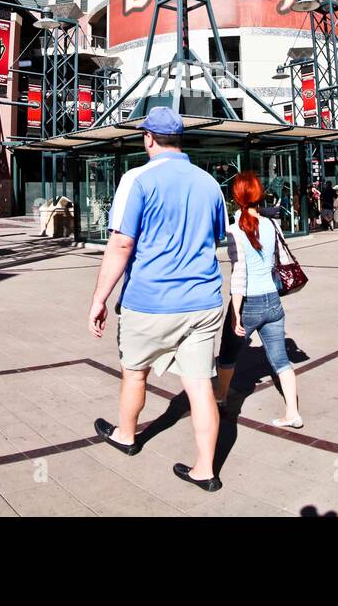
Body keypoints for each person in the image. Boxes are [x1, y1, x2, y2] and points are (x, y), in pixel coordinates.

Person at [88, 107, 227, 492]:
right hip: (203, 301)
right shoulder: (208, 183)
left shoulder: (137, 179)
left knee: (135, 372)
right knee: (199, 386)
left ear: (148, 137)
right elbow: (215, 238)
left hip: (150, 301)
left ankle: (126, 435)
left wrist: (100, 298)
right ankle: (205, 470)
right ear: (180, 139)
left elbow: (121, 243)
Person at [217, 171, 302, 429]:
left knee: (227, 355)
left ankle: (220, 400)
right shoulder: (272, 225)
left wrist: (235, 313)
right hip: (273, 301)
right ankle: (292, 413)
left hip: (249, 303)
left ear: (236, 196)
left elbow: (240, 275)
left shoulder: (234, 231)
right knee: (280, 361)